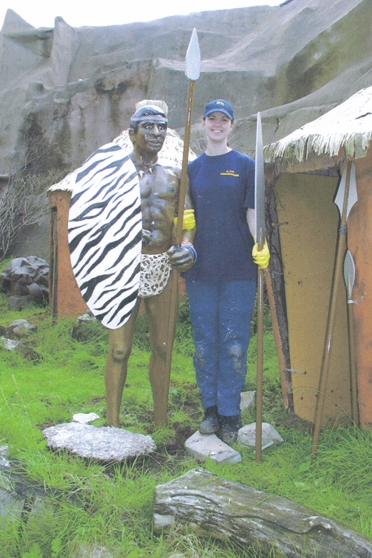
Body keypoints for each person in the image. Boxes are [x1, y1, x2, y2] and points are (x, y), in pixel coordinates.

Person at [104, 104, 196, 427]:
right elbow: (98, 223)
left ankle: (160, 422)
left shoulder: (174, 174)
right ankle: (112, 423)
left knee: (163, 347)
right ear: (132, 133)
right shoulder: (113, 175)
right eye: (149, 127)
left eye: (162, 128)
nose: (156, 134)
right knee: (119, 349)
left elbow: (187, 220)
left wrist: (187, 245)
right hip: (124, 268)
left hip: (163, 265)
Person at [183, 99, 270, 444]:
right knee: (205, 344)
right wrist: (184, 230)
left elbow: (252, 213)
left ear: (232, 125)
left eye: (224, 120)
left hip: (238, 269)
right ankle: (210, 410)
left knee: (234, 343)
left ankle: (230, 413)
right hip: (200, 269)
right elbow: (186, 216)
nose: (218, 125)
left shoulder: (245, 165)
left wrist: (260, 244)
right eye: (212, 119)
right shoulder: (191, 169)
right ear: (203, 123)